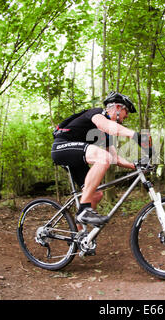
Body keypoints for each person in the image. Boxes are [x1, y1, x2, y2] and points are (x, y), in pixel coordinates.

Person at [51, 91, 148, 227]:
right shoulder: (98, 114)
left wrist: (135, 165)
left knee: (96, 195)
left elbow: (115, 158)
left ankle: (78, 237)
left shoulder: (105, 135)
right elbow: (107, 126)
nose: (126, 117)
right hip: (61, 147)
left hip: (77, 158)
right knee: (103, 158)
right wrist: (135, 135)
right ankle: (84, 210)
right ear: (118, 107)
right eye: (126, 112)